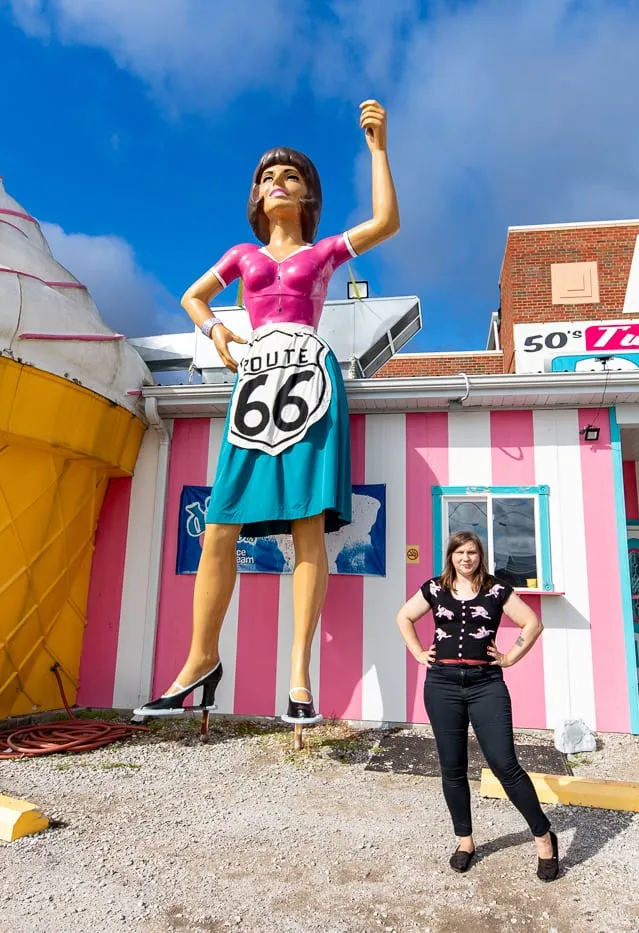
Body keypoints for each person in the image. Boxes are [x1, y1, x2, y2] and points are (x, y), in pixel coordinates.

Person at [135, 101, 400, 735]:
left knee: (308, 525)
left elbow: (386, 222)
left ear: (308, 194)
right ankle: (199, 663)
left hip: (310, 375)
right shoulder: (243, 257)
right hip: (255, 383)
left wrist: (378, 148)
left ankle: (300, 679)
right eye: (266, 177)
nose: (276, 181)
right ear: (255, 197)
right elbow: (193, 296)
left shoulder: (325, 253)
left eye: (290, 175)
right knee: (220, 524)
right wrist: (219, 337)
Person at [394, 531, 559, 881]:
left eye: (472, 552)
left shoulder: (497, 590)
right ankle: (465, 841)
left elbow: (533, 623)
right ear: (451, 556)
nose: (466, 558)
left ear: (480, 556)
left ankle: (543, 836)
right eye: (459, 552)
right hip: (442, 686)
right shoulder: (435, 588)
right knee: (452, 768)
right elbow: (403, 618)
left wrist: (510, 657)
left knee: (505, 764)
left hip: (486, 686)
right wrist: (419, 652)